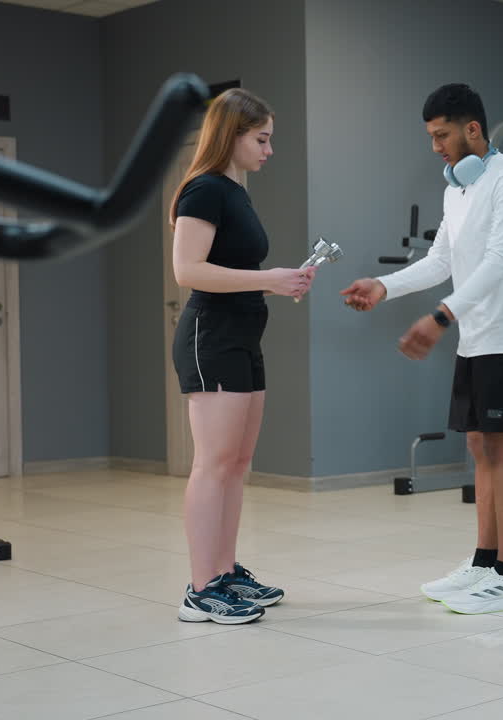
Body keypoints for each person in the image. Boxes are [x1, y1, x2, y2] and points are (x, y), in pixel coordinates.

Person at [341, 83, 503, 614]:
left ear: (472, 129)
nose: (436, 147)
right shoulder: (457, 189)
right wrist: (387, 288)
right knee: (478, 445)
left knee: (502, 447)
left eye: (442, 135)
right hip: (475, 339)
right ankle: (484, 562)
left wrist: (440, 316)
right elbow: (441, 261)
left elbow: (499, 262)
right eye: (431, 137)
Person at [169, 88, 315, 624]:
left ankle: (224, 572)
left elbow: (235, 267)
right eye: (262, 138)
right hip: (212, 338)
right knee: (212, 464)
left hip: (243, 337)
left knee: (236, 464)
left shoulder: (235, 191)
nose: (269, 150)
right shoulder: (204, 190)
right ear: (232, 135)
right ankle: (201, 589)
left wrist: (280, 282)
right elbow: (187, 270)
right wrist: (267, 279)